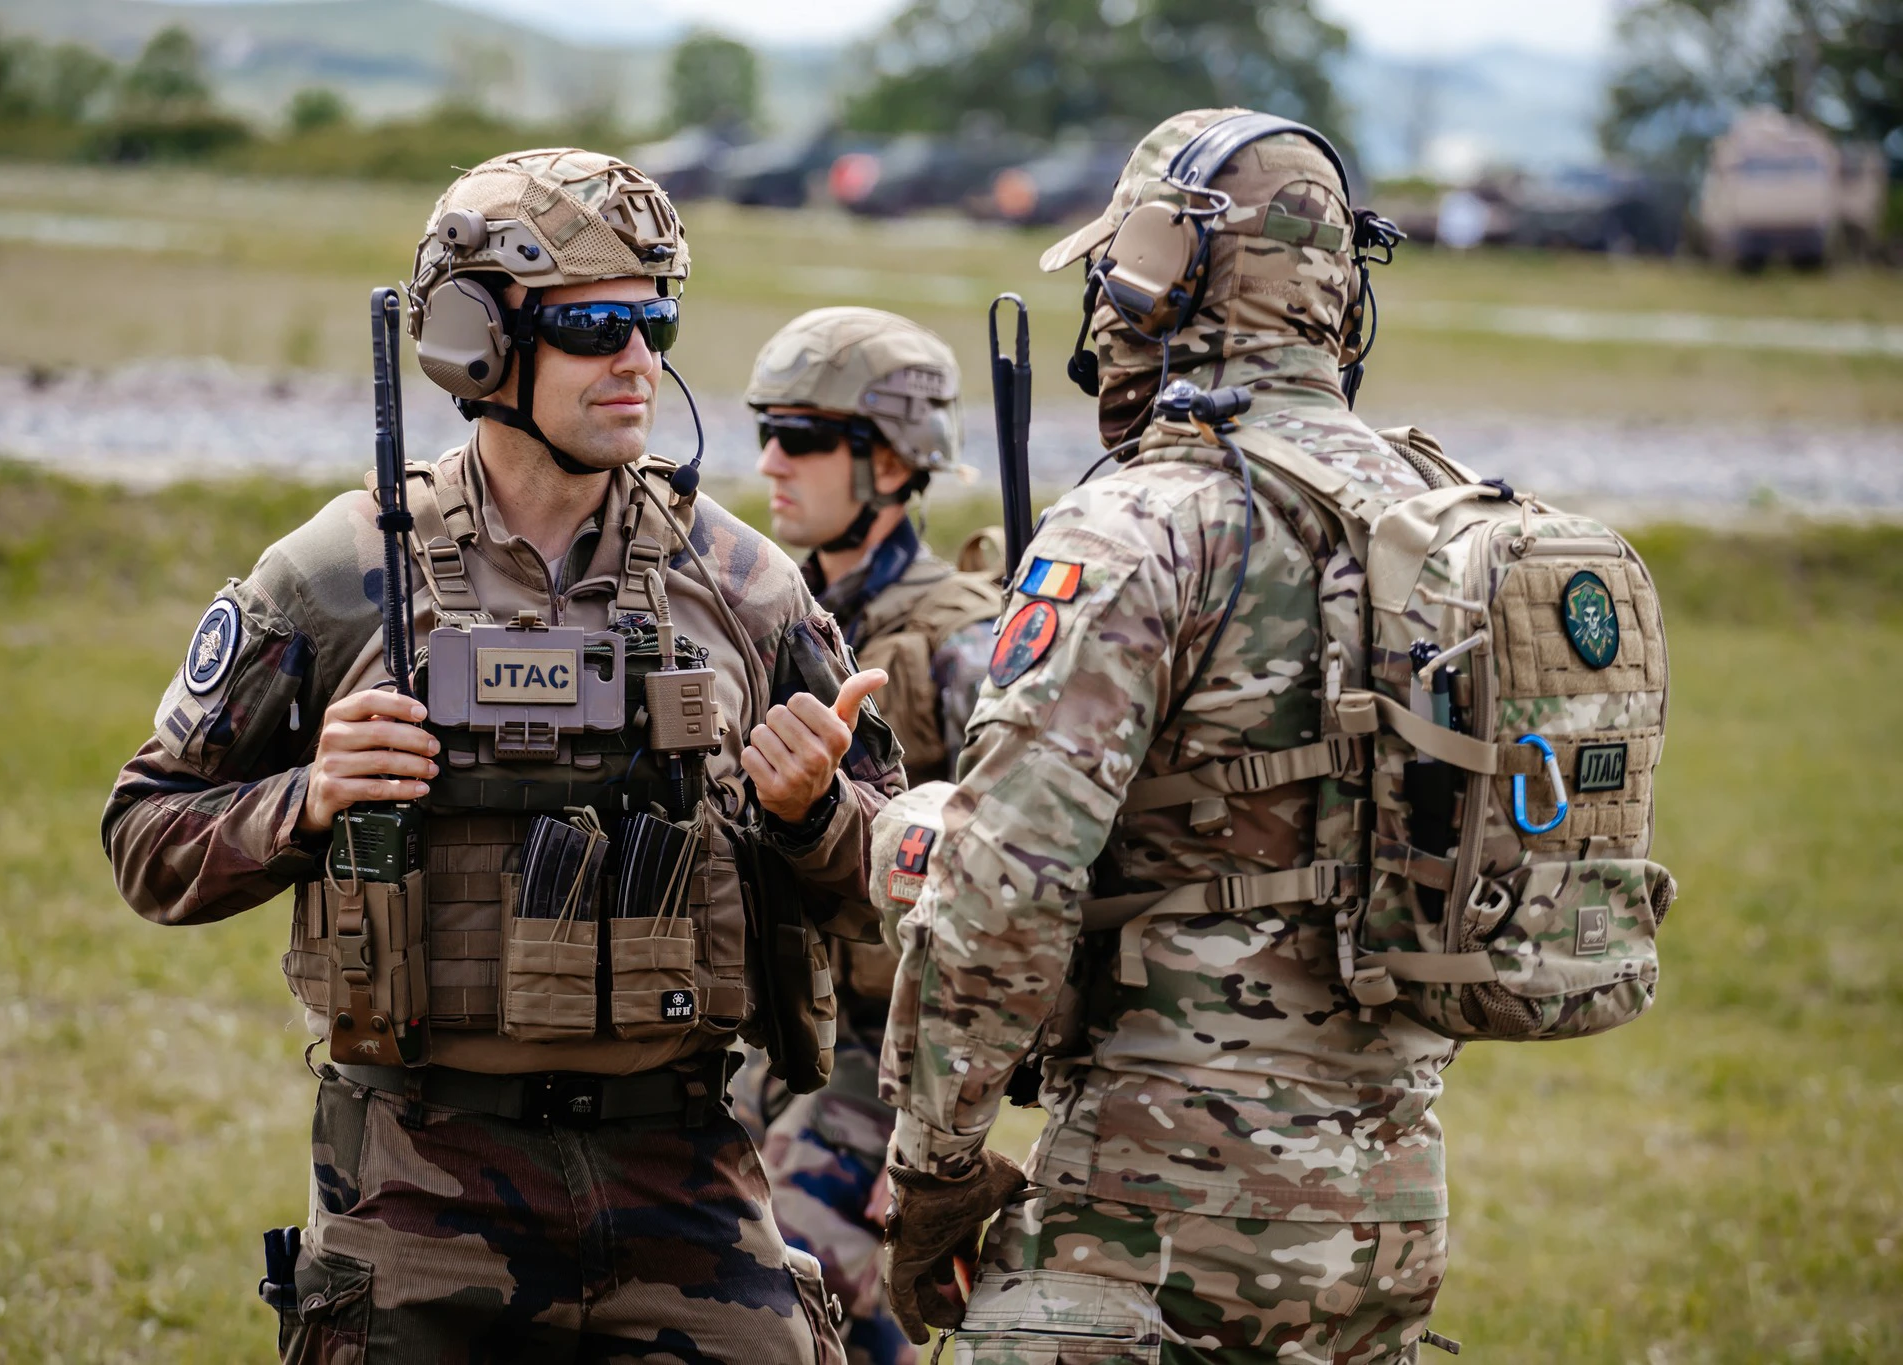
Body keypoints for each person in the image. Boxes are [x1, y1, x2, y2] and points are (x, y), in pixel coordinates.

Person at [103, 147, 905, 1361]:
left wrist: (815, 817)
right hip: (417, 1193)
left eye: (654, 321)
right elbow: (144, 838)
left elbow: (914, 886)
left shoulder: (745, 586)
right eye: (592, 327)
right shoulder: (338, 576)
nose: (638, 361)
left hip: (684, 1178)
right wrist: (308, 799)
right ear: (475, 343)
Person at [877, 111, 1462, 1362]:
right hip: (1389, 1215)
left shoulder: (1143, 522)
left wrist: (934, 1169)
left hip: (1149, 1224)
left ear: (1157, 277)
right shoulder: (1442, 516)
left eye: (1111, 276)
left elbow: (1003, 883)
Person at [733, 308, 1002, 1365]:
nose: (771, 461)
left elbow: (1016, 893)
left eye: (800, 437)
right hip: (768, 1041)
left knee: (796, 1294)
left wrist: (938, 1136)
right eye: (767, 431)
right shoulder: (769, 612)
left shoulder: (962, 642)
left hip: (884, 1068)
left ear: (890, 462)